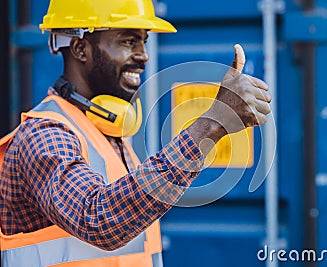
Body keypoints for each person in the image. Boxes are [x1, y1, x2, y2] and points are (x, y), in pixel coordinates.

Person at [0, 0, 271, 266]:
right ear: (81, 48)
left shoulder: (108, 133)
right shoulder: (43, 135)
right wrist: (211, 124)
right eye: (128, 41)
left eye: (144, 40)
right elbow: (97, 218)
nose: (144, 55)